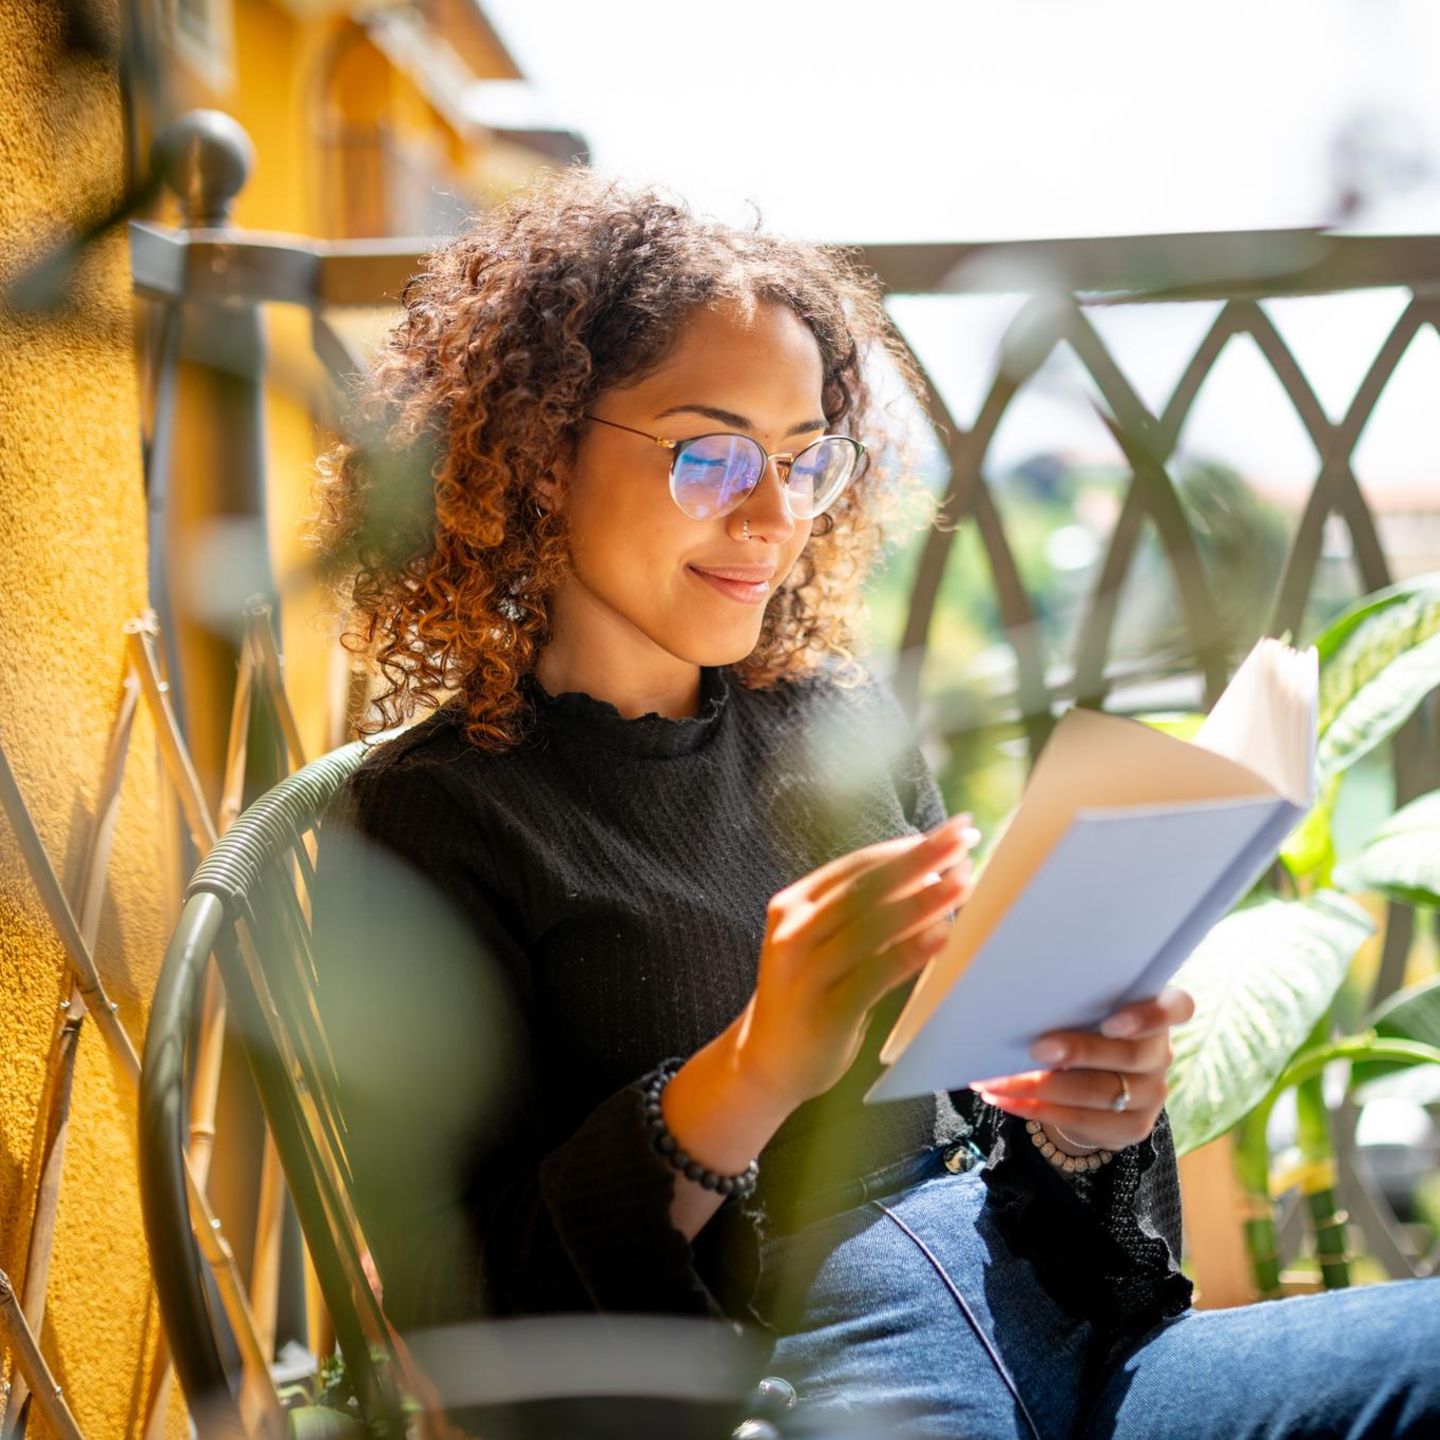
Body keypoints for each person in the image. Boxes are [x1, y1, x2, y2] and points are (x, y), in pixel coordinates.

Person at [305, 166, 1439, 1439]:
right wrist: (752, 1068)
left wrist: (1089, 1120)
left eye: (806, 459)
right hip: (819, 1380)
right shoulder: (440, 817)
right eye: (709, 453)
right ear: (539, 457)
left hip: (1050, 1329)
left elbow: (983, 1129)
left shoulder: (838, 722)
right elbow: (477, 1312)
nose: (772, 513)